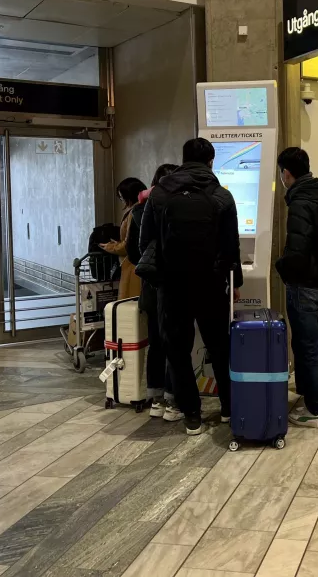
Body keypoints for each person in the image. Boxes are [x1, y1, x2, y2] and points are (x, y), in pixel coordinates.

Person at [140, 138, 243, 434]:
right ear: (211, 161)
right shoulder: (222, 196)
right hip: (211, 285)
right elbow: (231, 246)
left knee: (177, 350)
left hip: (172, 287)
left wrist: (158, 278)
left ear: (183, 159)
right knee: (219, 347)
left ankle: (192, 415)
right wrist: (234, 281)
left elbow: (144, 243)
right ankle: (227, 408)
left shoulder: (159, 195)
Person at [275, 147, 318, 428]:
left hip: (306, 286)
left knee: (307, 348)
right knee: (315, 346)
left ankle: (315, 411)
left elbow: (297, 251)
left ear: (287, 174)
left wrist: (281, 268)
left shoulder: (300, 201)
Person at [127, 163, 180, 421]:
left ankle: (156, 399)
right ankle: (172, 400)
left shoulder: (138, 211)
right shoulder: (176, 206)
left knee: (156, 345)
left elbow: (133, 253)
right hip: (172, 287)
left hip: (150, 287)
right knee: (174, 344)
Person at [100, 177, 146, 300]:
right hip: (139, 264)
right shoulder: (144, 208)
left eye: (121, 196)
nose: (121, 199)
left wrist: (110, 246)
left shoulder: (135, 212)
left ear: (129, 195)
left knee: (128, 303)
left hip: (132, 265)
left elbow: (129, 245)